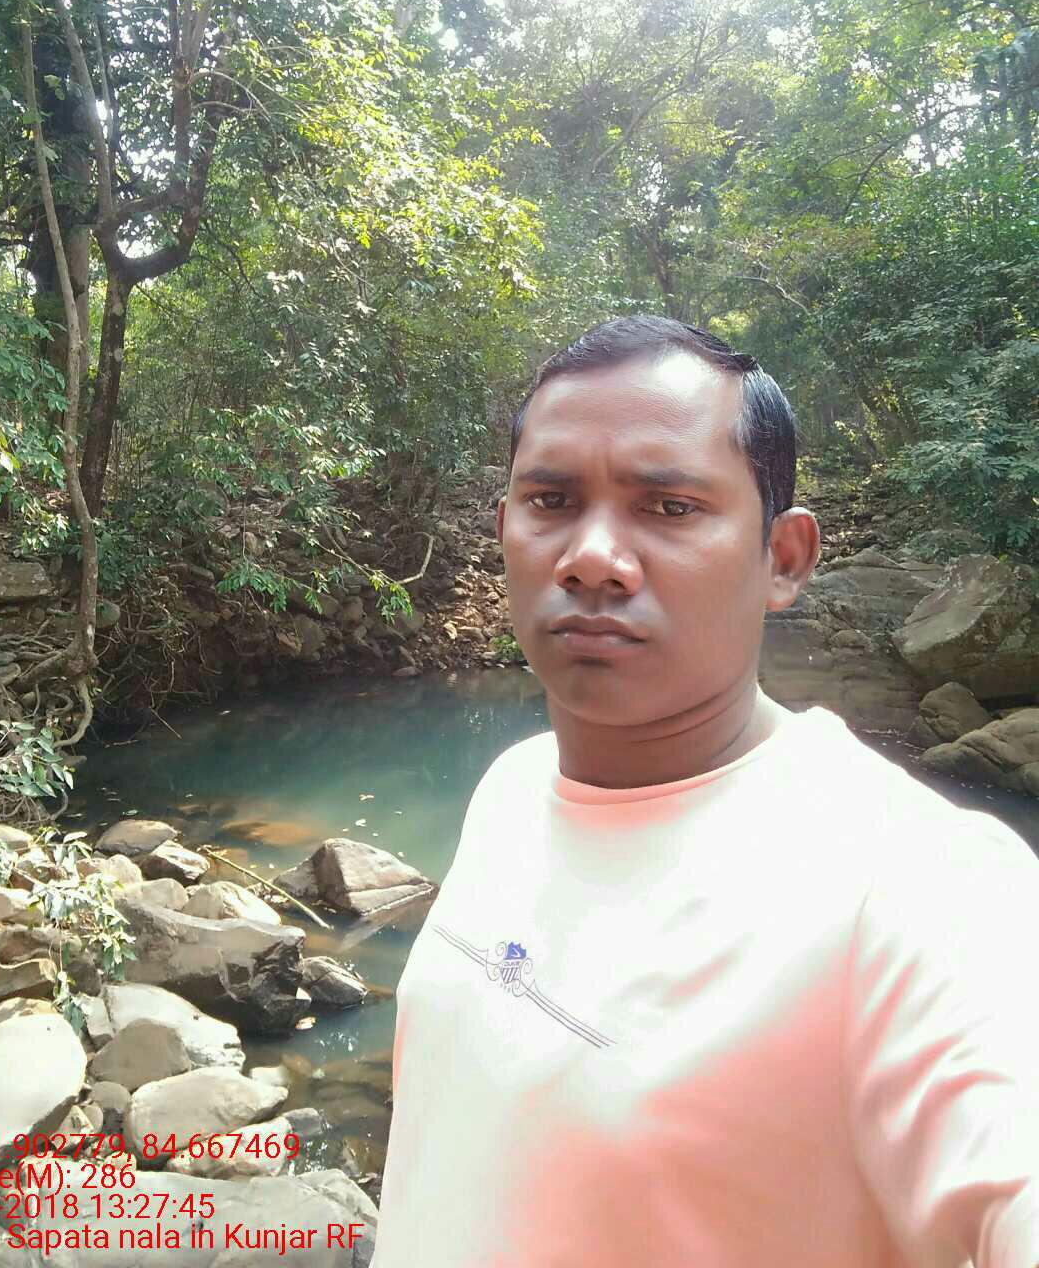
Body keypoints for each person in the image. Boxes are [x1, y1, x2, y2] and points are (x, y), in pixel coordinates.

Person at [371, 315, 1039, 1268]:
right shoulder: (513, 790)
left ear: (784, 559)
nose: (591, 555)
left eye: (670, 507)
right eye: (550, 500)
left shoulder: (913, 885)